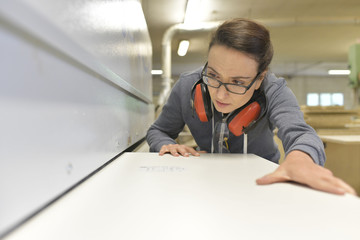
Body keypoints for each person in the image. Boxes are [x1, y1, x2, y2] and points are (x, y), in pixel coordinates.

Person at [146, 18, 356, 196]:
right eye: (213, 75)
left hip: (260, 182)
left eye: (237, 82)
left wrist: (301, 160)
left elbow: (302, 134)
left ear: (259, 79)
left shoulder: (273, 89)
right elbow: (159, 130)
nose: (220, 94)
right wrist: (165, 144)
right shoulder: (187, 86)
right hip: (206, 181)